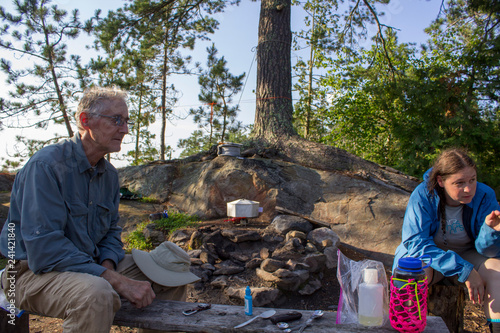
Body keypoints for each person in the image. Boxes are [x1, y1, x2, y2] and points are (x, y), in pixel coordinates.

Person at [0, 86, 199, 333]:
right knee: (95, 293)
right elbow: (45, 250)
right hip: (31, 273)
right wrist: (114, 280)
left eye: (126, 121)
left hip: (89, 266)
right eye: (116, 120)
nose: (125, 129)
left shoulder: (109, 176)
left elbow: (111, 234)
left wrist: (106, 267)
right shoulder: (46, 166)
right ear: (86, 120)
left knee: (168, 272)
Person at [393, 148, 500, 333]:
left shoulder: (485, 195)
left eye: (472, 180)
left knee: (498, 272)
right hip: (432, 257)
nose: (468, 189)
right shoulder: (423, 194)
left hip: (469, 254)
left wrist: (491, 231)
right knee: (412, 276)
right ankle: (407, 327)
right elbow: (415, 243)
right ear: (441, 181)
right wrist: (465, 270)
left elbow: (488, 252)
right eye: (459, 183)